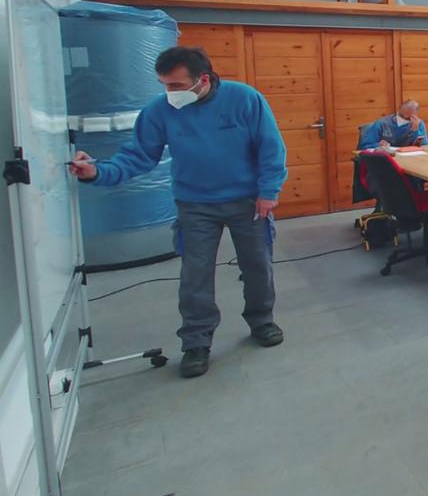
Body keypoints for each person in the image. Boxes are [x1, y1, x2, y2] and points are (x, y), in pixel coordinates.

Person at [68, 47, 288, 379]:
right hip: (195, 204)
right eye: (164, 85)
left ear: (203, 80)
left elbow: (270, 147)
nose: (169, 93)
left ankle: (261, 320)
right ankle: (196, 342)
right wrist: (97, 172)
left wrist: (268, 192)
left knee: (257, 265)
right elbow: (138, 155)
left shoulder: (245, 99)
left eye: (175, 85)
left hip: (247, 201)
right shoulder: (160, 112)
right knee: (194, 276)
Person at [358, 100, 428, 150]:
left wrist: (415, 130)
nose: (404, 119)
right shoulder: (382, 123)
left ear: (416, 115)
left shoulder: (418, 123)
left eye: (408, 118)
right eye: (401, 116)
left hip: (408, 160)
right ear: (399, 108)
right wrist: (378, 145)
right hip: (386, 160)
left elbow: (423, 146)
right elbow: (364, 146)